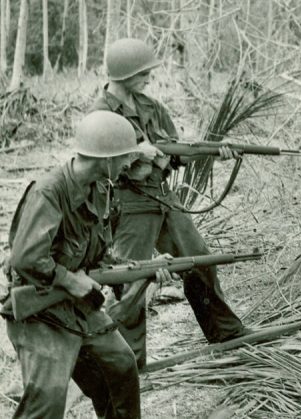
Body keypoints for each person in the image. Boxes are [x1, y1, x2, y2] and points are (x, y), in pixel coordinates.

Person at [89, 38, 249, 369]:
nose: (149, 76)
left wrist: (211, 152)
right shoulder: (100, 115)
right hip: (128, 204)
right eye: (143, 71)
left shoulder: (150, 107)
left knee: (201, 260)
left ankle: (226, 333)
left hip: (163, 198)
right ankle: (129, 362)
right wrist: (137, 153)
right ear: (124, 73)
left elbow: (178, 152)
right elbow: (97, 163)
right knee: (132, 279)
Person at [0, 111, 156, 419]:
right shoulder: (50, 191)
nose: (128, 164)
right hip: (40, 313)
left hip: (79, 307)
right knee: (48, 400)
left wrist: (142, 269)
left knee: (122, 366)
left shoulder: (102, 189)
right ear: (106, 158)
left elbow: (100, 255)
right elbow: (26, 259)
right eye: (125, 157)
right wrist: (71, 281)